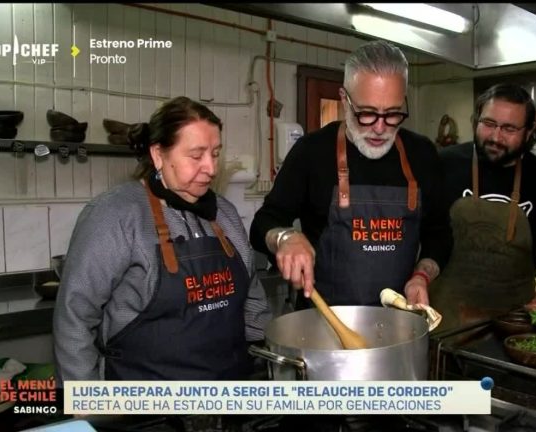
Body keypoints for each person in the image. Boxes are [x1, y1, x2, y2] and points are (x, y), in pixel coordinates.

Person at [53, 96, 271, 381]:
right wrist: (89, 405)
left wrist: (262, 362)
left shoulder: (224, 213)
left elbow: (252, 296)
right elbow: (74, 318)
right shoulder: (116, 214)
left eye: (215, 153)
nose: (211, 168)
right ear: (158, 155)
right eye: (196, 155)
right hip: (146, 409)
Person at [250, 40, 451, 309]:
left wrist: (421, 276)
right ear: (344, 99)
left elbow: (439, 234)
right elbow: (264, 222)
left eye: (392, 114)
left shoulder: (422, 154)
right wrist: (285, 238)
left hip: (399, 326)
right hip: (324, 326)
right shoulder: (311, 152)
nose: (380, 128)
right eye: (367, 114)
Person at [431, 83, 536, 330]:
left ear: (530, 131)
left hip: (514, 320)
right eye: (488, 124)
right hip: (445, 316)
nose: (496, 137)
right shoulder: (442, 165)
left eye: (509, 128)